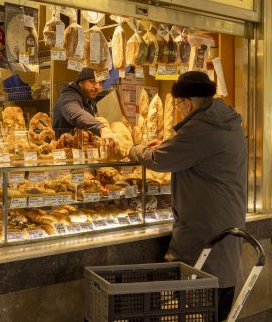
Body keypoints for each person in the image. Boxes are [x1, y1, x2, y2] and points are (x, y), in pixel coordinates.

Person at [127, 71, 247, 321]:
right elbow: (188, 153)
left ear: (188, 102)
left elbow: (160, 160)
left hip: (204, 236)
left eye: (179, 105)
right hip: (225, 230)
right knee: (219, 302)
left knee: (197, 309)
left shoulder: (202, 127)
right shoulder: (226, 121)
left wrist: (134, 149)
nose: (179, 110)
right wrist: (168, 145)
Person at [52, 67, 113, 140]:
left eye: (100, 83)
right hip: (63, 148)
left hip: (80, 148)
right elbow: (76, 113)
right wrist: (101, 128)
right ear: (80, 82)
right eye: (92, 81)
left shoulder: (89, 100)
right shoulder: (68, 97)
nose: (97, 86)